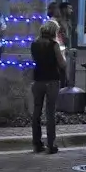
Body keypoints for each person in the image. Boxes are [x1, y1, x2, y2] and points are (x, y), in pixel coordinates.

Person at [30, 20, 66, 154]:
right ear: (53, 32)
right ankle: (51, 144)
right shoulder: (54, 45)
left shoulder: (34, 44)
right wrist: (64, 56)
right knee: (50, 113)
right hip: (52, 80)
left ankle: (36, 143)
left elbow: (35, 60)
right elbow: (62, 64)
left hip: (38, 79)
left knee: (36, 112)